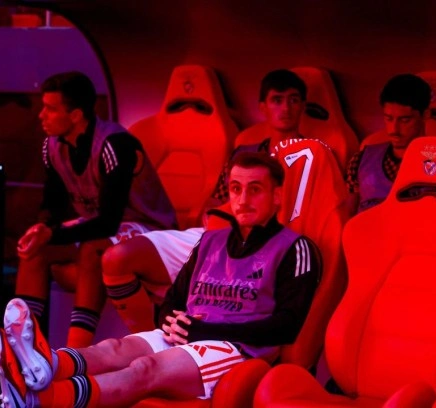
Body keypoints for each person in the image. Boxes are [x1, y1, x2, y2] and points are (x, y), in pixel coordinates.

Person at [0, 152, 321, 407]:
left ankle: (42, 399)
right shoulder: (210, 241)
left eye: (255, 189)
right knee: (114, 348)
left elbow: (286, 327)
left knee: (143, 369)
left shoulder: (295, 248)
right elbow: (173, 302)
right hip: (192, 334)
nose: (243, 199)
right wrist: (171, 322)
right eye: (236, 189)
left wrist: (206, 331)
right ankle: (45, 364)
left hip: (237, 348)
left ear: (277, 196)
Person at [100, 69, 308, 333]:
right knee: (118, 258)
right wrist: (212, 215)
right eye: (277, 100)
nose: (286, 108)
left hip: (267, 245)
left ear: (303, 106)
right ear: (263, 107)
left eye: (293, 100)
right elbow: (216, 200)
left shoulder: (315, 157)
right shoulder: (245, 152)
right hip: (217, 236)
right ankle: (149, 339)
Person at [15, 71, 177, 348]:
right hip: (98, 223)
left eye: (51, 109)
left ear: (76, 115)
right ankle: (22, 349)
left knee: (94, 247)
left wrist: (54, 233)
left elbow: (109, 221)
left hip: (148, 228)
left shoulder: (115, 144)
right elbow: (53, 205)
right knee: (36, 248)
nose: (41, 115)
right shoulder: (51, 146)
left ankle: (75, 353)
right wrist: (43, 228)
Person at [345, 73, 432, 214]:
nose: (394, 129)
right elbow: (347, 216)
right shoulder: (360, 160)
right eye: (389, 118)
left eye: (405, 120)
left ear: (425, 115)